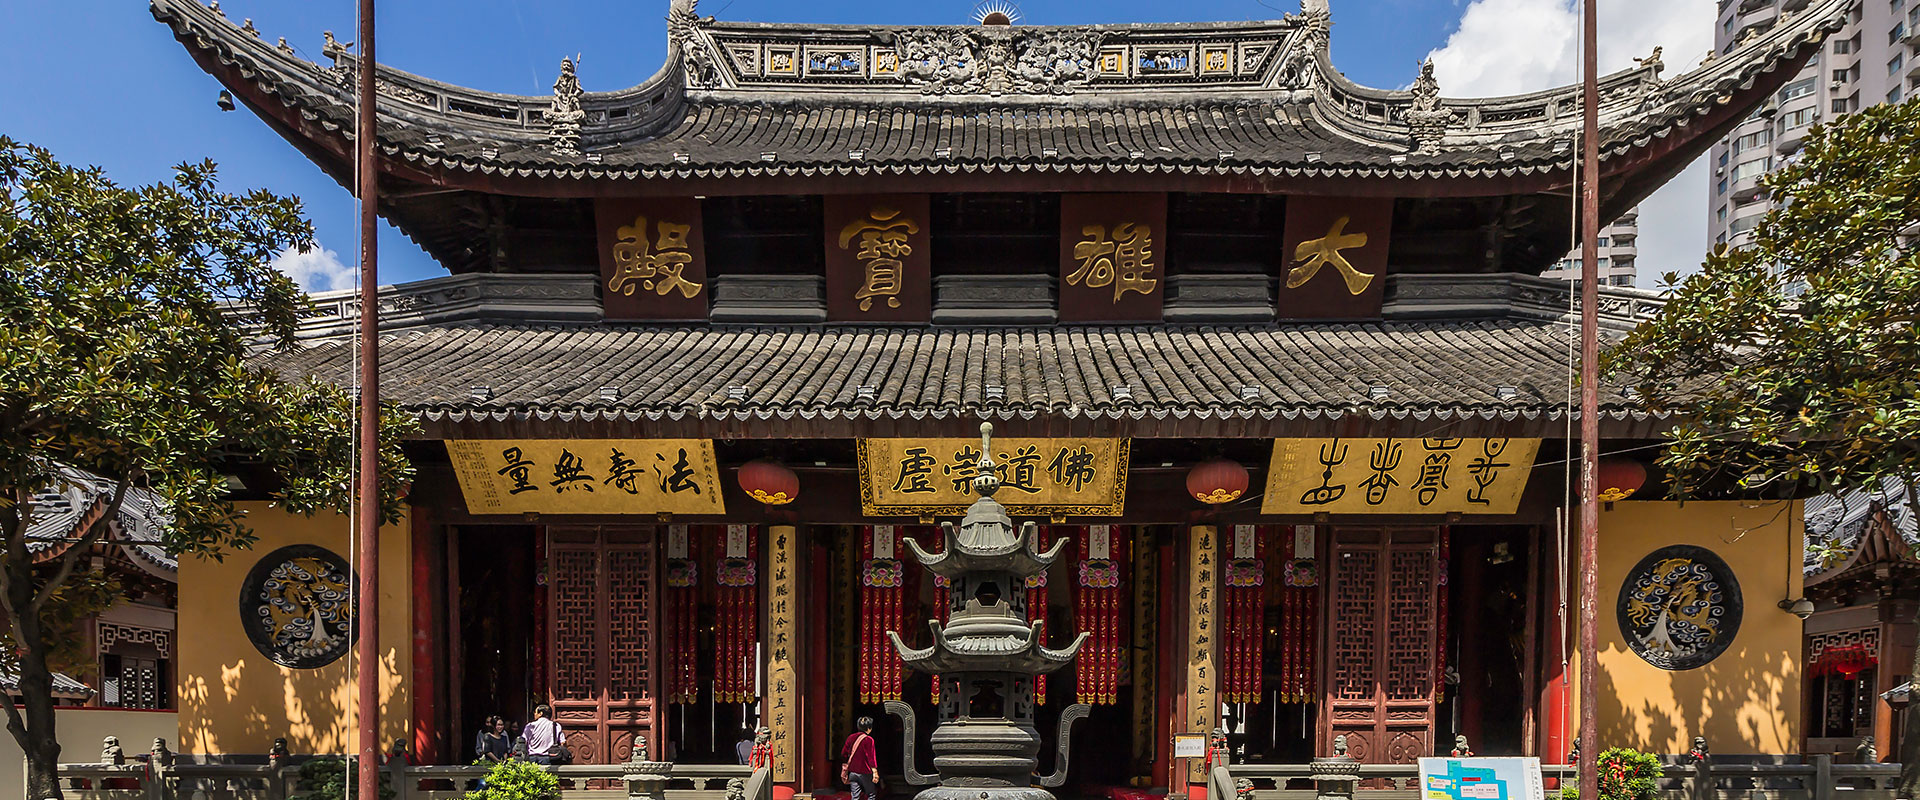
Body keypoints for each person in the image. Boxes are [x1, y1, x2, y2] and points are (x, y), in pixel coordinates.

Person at [841, 716, 880, 800]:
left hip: (852, 772)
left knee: (855, 796)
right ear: (869, 728)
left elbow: (844, 753)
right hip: (865, 772)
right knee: (871, 794)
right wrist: (875, 772)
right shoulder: (869, 740)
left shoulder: (850, 737)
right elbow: (871, 757)